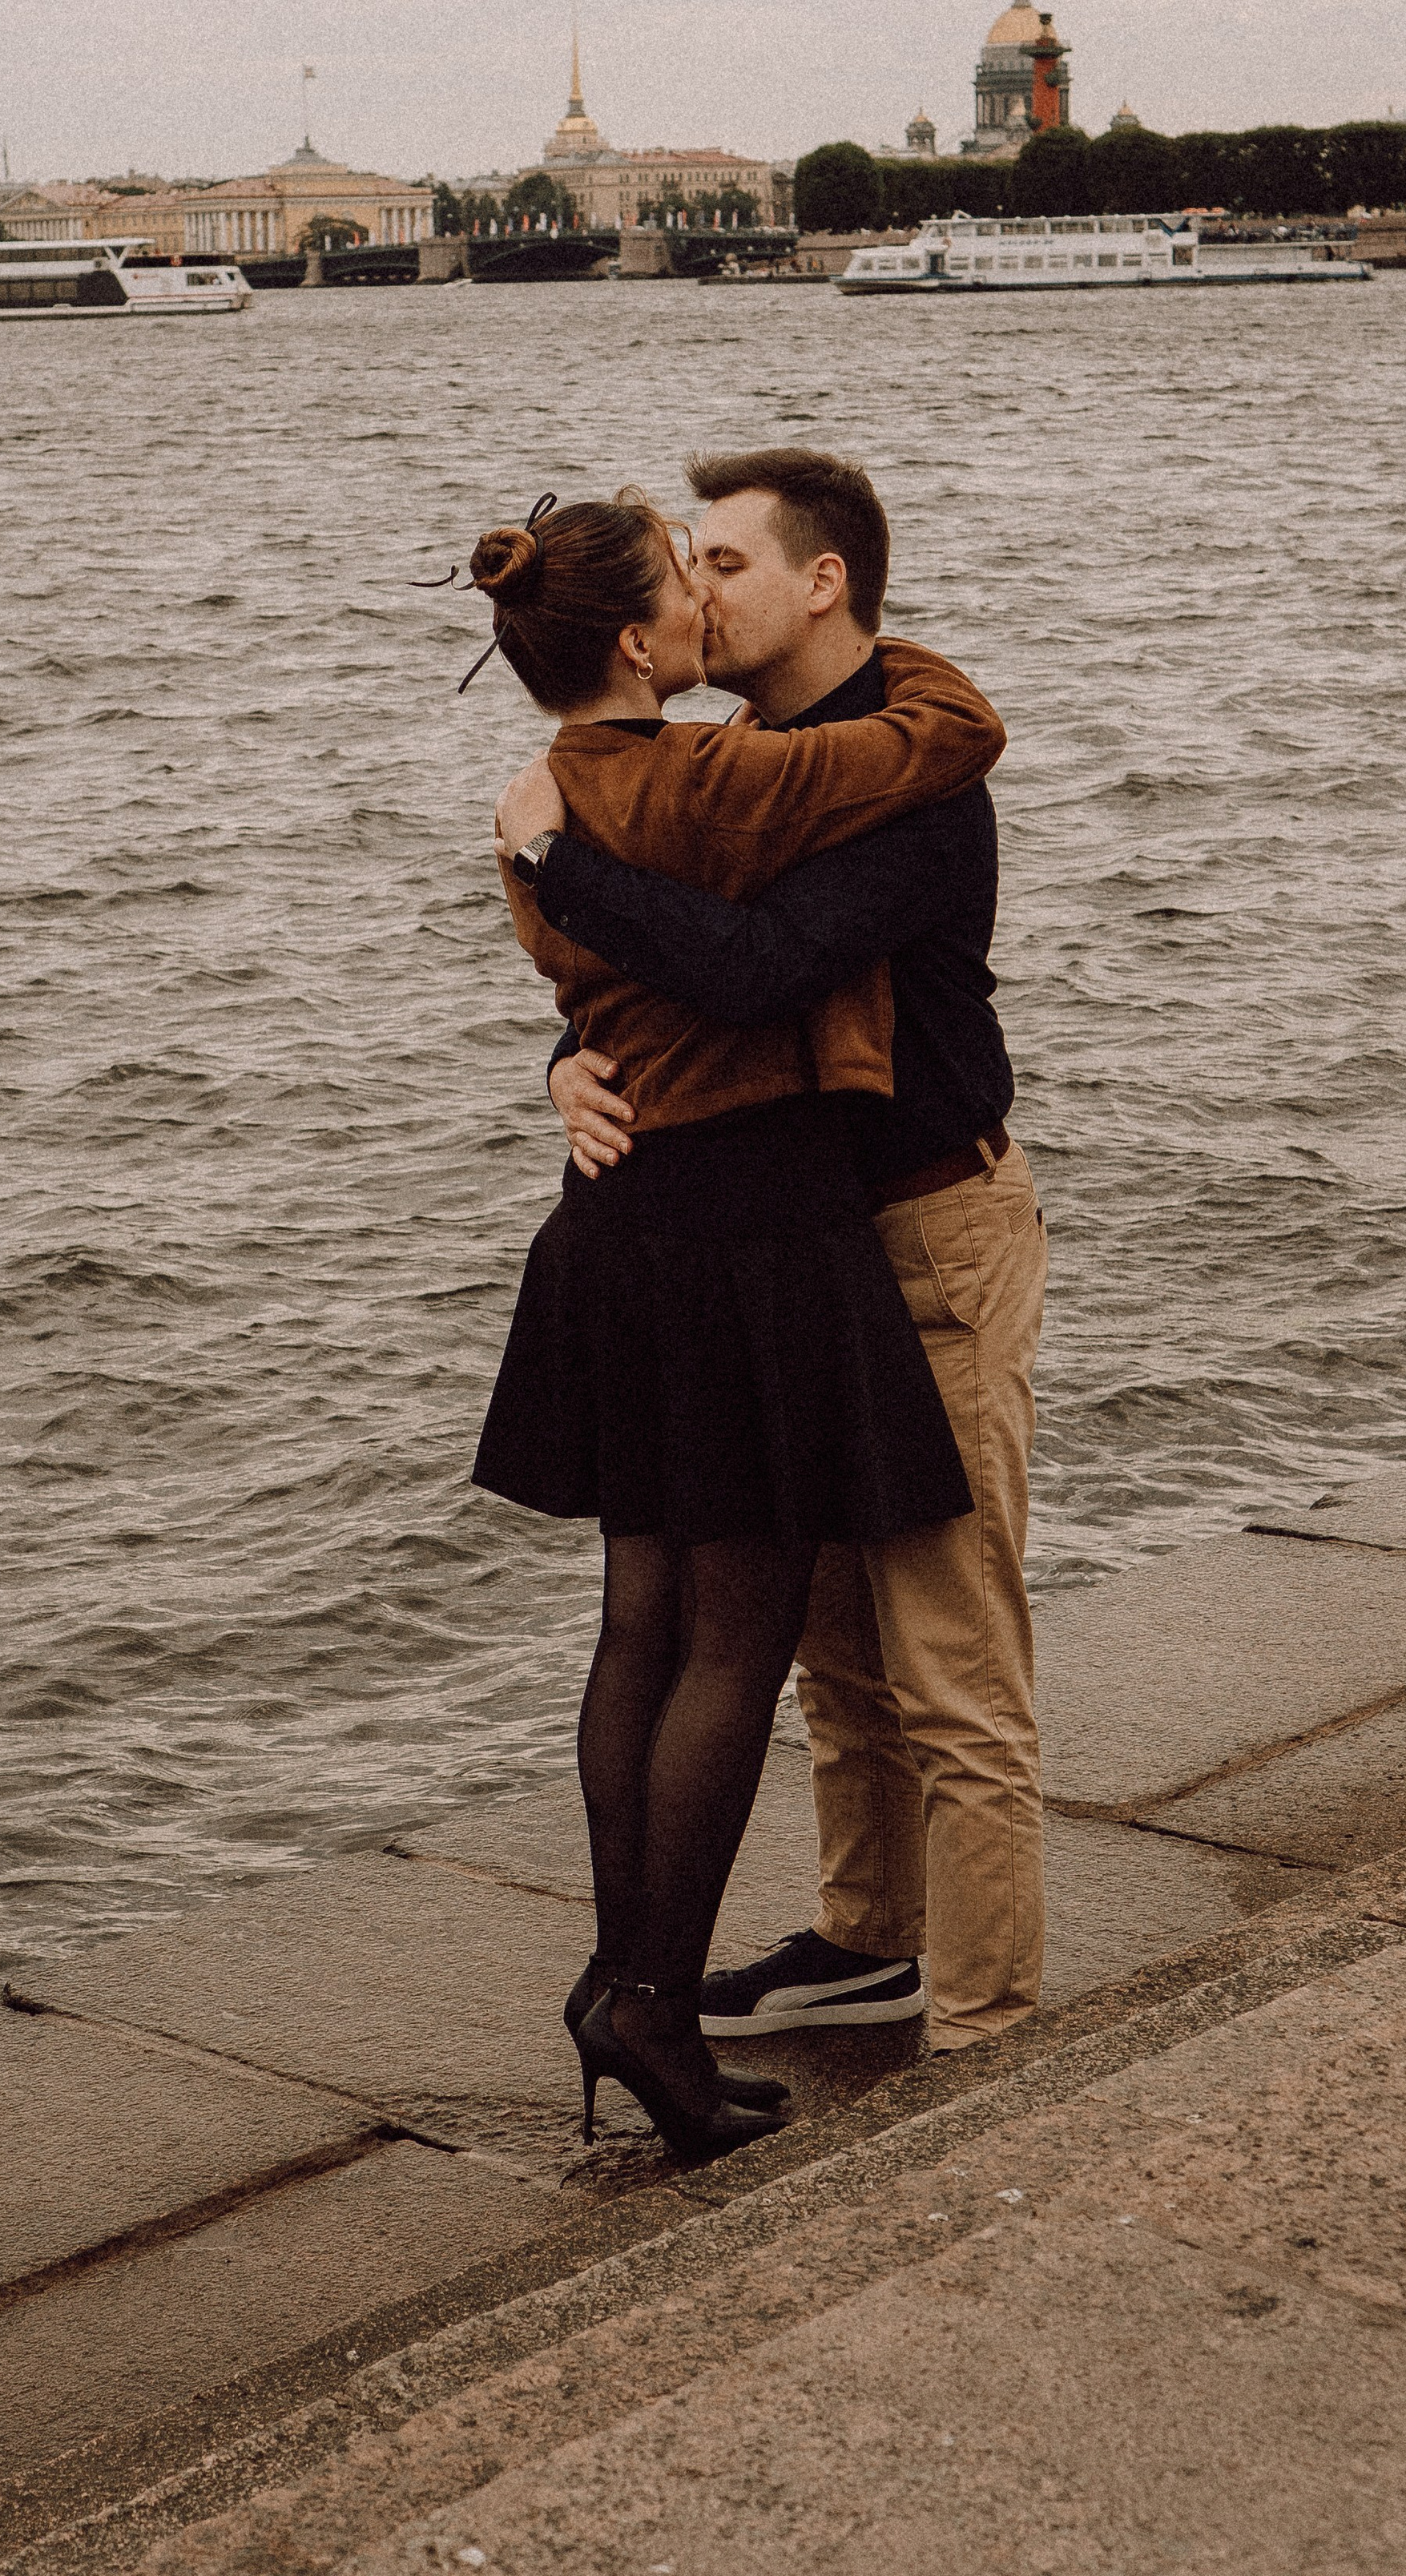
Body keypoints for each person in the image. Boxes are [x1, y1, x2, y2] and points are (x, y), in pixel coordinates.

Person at [465, 489, 1005, 2159]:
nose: (703, 597)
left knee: (640, 1619)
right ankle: (646, 1999)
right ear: (634, 641)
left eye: (728, 562)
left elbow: (605, 982)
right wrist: (861, 628)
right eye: (681, 579)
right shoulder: (719, 777)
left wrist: (554, 885)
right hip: (749, 1227)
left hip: (618, 1228)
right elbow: (953, 728)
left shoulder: (543, 800)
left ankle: (623, 1983)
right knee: (737, 1636)